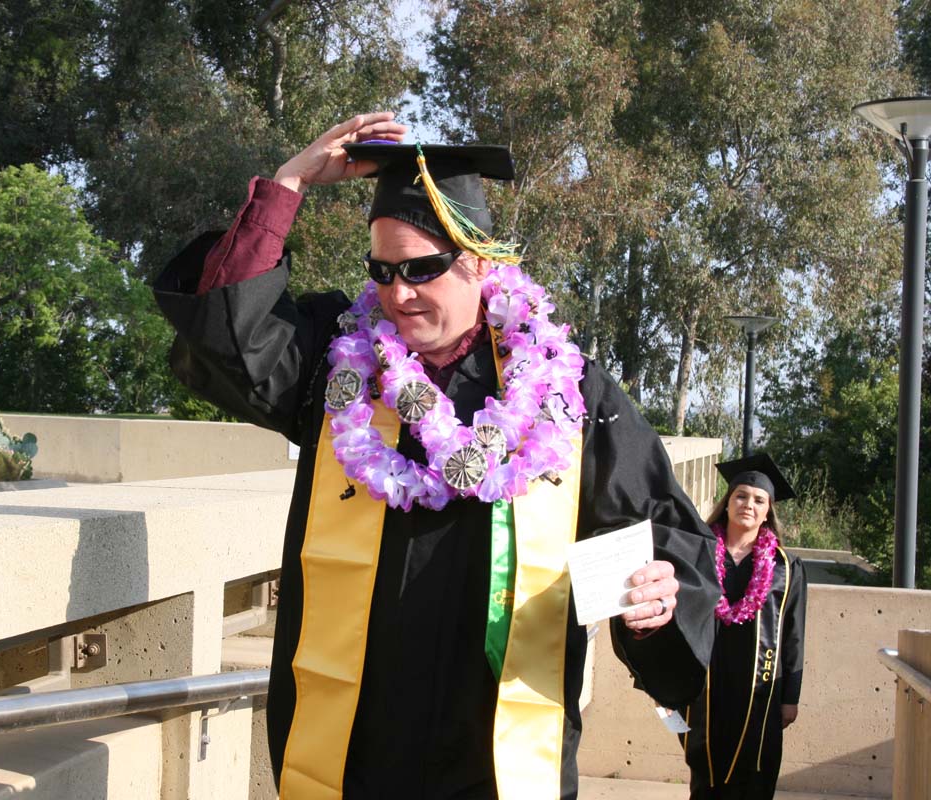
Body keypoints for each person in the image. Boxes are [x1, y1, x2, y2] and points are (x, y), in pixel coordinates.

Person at [154, 112, 720, 799]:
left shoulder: (567, 393)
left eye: (422, 269)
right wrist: (288, 184)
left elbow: (662, 537)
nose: (399, 293)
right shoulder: (339, 369)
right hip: (359, 743)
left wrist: (661, 595)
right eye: (382, 271)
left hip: (495, 747)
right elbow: (230, 340)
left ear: (479, 261)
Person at [679, 453, 807, 799]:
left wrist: (790, 697)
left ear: (768, 511)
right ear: (727, 502)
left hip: (760, 690)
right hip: (708, 680)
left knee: (755, 775)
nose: (748, 504)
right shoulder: (698, 553)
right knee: (705, 771)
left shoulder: (786, 567)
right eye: (741, 496)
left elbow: (794, 634)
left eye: (758, 500)